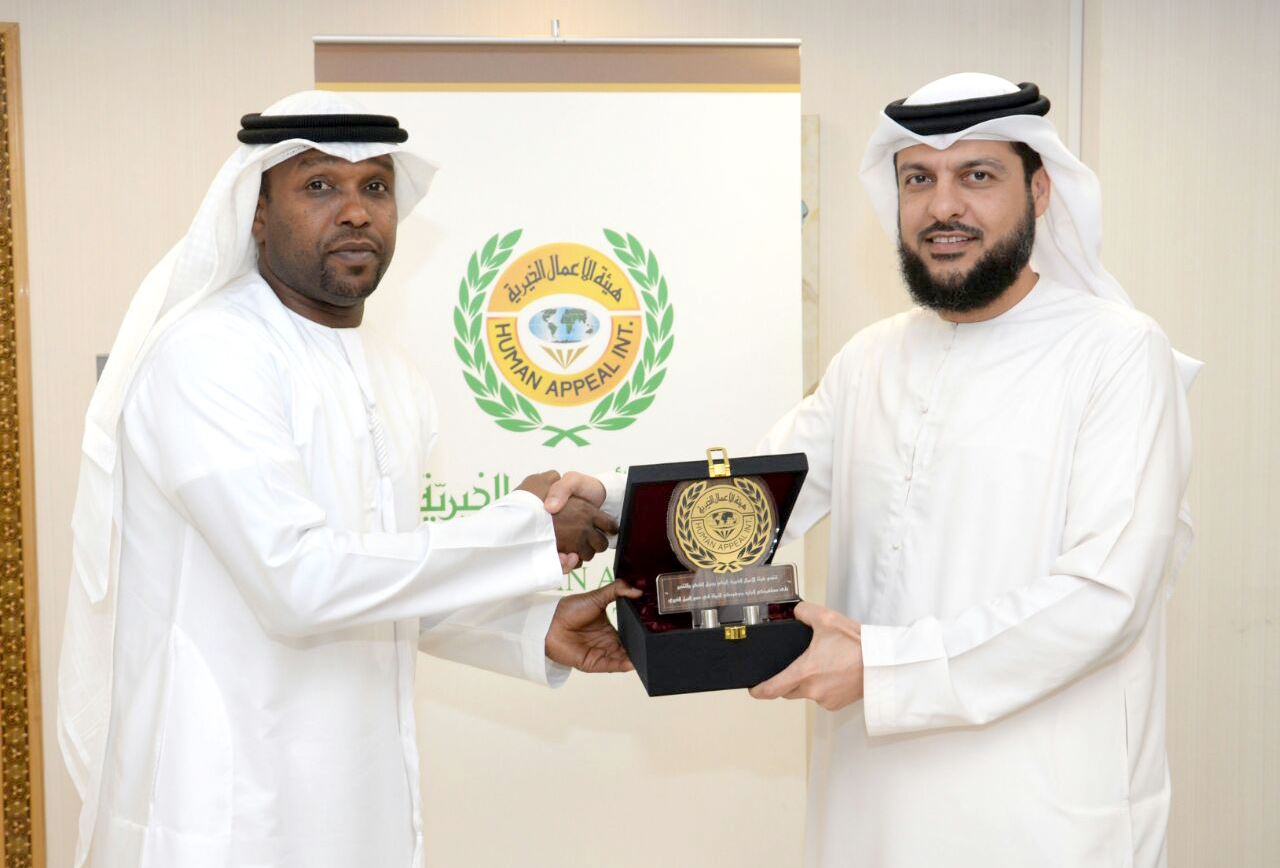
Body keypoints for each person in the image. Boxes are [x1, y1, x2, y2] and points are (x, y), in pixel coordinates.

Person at [546, 73, 1198, 867]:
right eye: (918, 179)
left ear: (1039, 190)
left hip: (1042, 811)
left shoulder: (1119, 354)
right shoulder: (871, 358)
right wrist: (610, 503)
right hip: (874, 807)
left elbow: (1106, 597)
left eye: (977, 175)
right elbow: (757, 496)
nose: (942, 206)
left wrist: (885, 667)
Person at [59, 91, 636, 868]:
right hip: (225, 811)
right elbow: (299, 581)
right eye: (319, 185)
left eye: (376, 187)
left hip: (359, 807)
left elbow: (379, 583)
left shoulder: (394, 377)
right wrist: (525, 526)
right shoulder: (208, 354)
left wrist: (532, 629)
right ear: (257, 212)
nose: (357, 211)